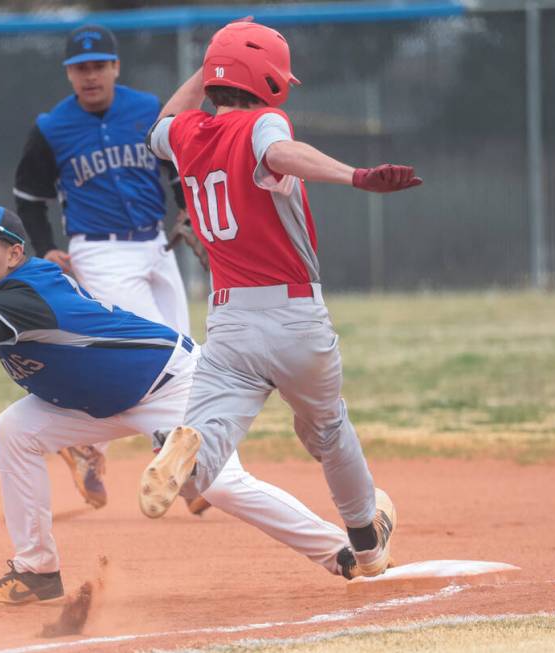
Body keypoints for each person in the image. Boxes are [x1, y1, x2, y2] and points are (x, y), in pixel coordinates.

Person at [0, 202, 364, 604]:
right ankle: (36, 571)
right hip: (97, 402)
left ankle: (343, 552)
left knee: (218, 485)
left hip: (171, 384)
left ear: (15, 253)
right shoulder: (6, 296)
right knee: (14, 430)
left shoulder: (24, 295)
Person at [140, 20, 424, 578]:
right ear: (269, 79)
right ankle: (368, 542)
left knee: (209, 449)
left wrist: (210, 64)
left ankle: (185, 454)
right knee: (326, 427)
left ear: (216, 78)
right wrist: (356, 176)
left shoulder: (187, 135)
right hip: (294, 318)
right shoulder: (263, 122)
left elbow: (163, 122)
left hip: (230, 325)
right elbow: (282, 153)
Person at [13, 25, 207, 512]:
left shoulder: (146, 110)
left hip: (157, 246)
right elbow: (29, 198)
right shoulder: (52, 127)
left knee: (184, 351)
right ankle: (186, 475)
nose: (91, 75)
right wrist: (45, 248)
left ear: (116, 67)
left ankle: (86, 445)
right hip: (98, 251)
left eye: (99, 65)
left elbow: (175, 167)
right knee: (161, 355)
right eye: (81, 68)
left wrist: (187, 207)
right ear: (69, 74)